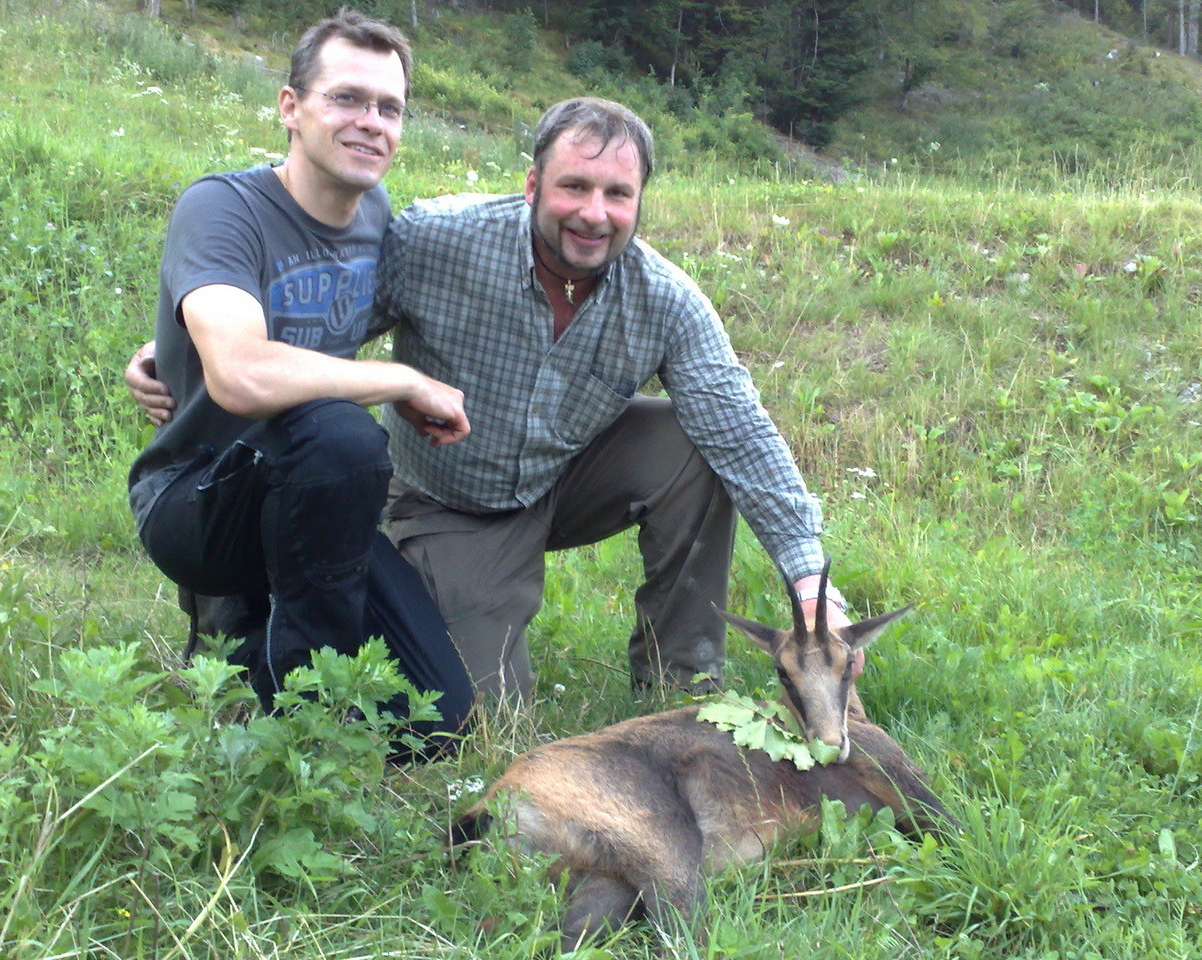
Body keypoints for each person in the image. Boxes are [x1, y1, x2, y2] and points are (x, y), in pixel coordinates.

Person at [131, 96, 853, 703]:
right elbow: (327, 325)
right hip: (450, 499)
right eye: (574, 187)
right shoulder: (435, 241)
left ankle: (680, 691)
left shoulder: (665, 300)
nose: (594, 214)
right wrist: (190, 350)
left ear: (640, 202)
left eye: (618, 195)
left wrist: (808, 576)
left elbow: (743, 431)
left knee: (697, 444)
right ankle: (309, 607)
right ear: (534, 184)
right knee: (477, 710)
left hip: (565, 472)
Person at [125, 9, 473, 746]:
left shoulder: (374, 213)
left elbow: (302, 317)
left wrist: (166, 343)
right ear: (290, 108)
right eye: (345, 98)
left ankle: (270, 632)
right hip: (194, 496)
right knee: (345, 435)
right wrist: (399, 380)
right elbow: (243, 374)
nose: (370, 122)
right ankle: (301, 731)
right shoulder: (223, 206)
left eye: (389, 108)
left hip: (312, 494)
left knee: (439, 719)